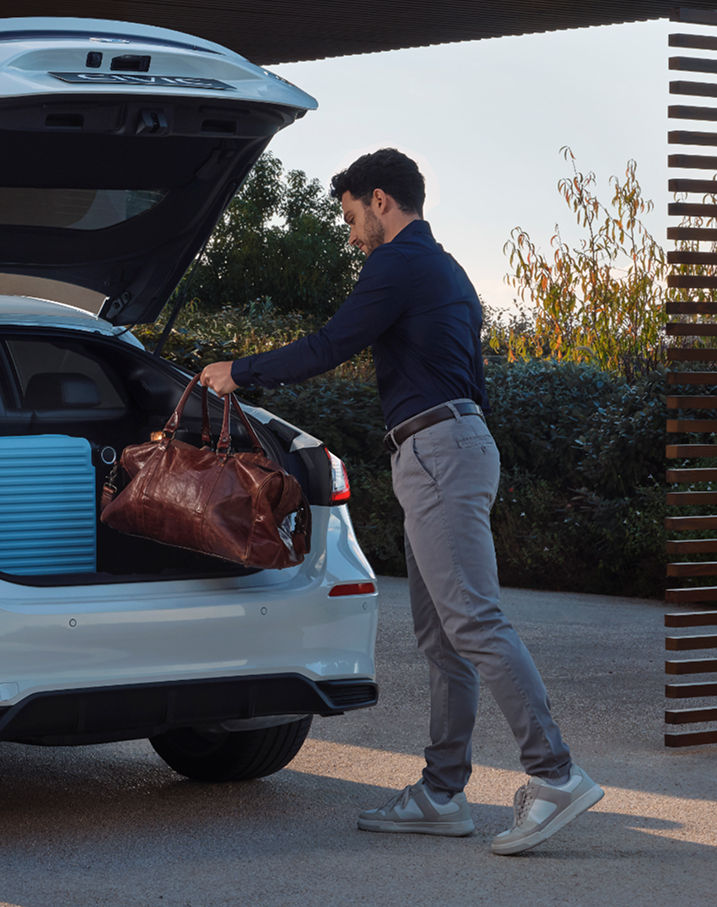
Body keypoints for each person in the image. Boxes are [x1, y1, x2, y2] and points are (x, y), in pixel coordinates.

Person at [196, 148, 602, 856]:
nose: (351, 236)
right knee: (444, 640)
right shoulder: (444, 269)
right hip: (446, 447)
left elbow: (330, 345)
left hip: (439, 450)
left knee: (474, 624)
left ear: (380, 200)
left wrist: (239, 372)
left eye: (353, 218)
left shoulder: (398, 263)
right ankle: (443, 794)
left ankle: (555, 774)